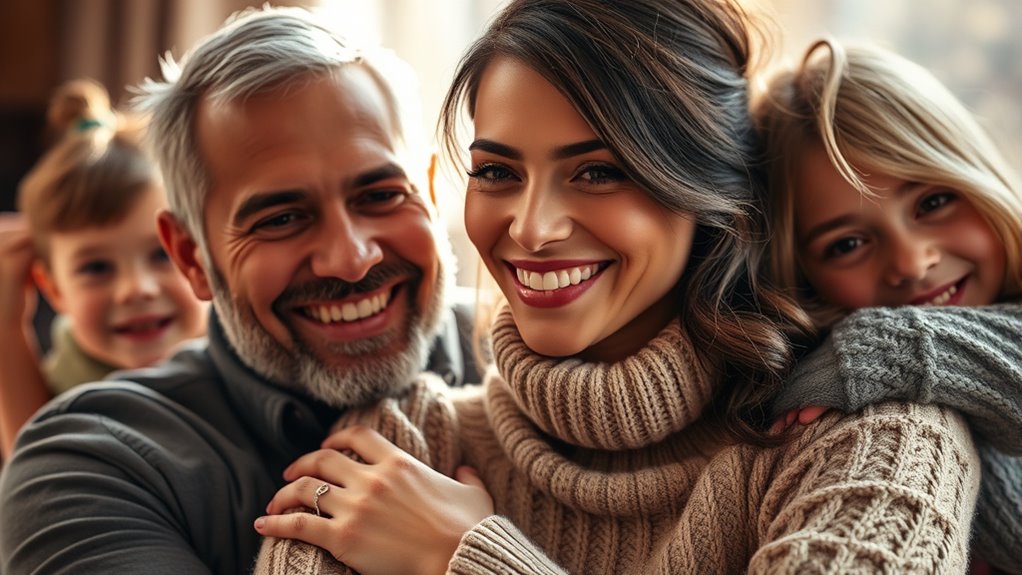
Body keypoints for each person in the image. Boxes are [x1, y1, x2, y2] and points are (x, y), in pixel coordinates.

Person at [252, 1, 981, 573]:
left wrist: (466, 557)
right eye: (498, 172)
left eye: (599, 172)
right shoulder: (402, 448)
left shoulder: (876, 438)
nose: (532, 228)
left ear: (712, 194)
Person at [0, 7, 479, 574]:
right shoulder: (89, 466)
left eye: (380, 195)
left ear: (431, 194)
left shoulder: (551, 367)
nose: (351, 261)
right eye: (281, 218)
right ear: (192, 257)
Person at [755, 39, 1022, 573]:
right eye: (847, 244)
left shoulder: (856, 363)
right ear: (802, 277)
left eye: (933, 202)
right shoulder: (825, 405)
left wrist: (890, 347)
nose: (912, 262)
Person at [0, 79, 208, 459]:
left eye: (162, 256)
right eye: (96, 267)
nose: (136, 288)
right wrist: (7, 324)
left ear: (201, 257)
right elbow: (35, 463)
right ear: (55, 290)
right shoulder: (73, 370)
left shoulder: (242, 349)